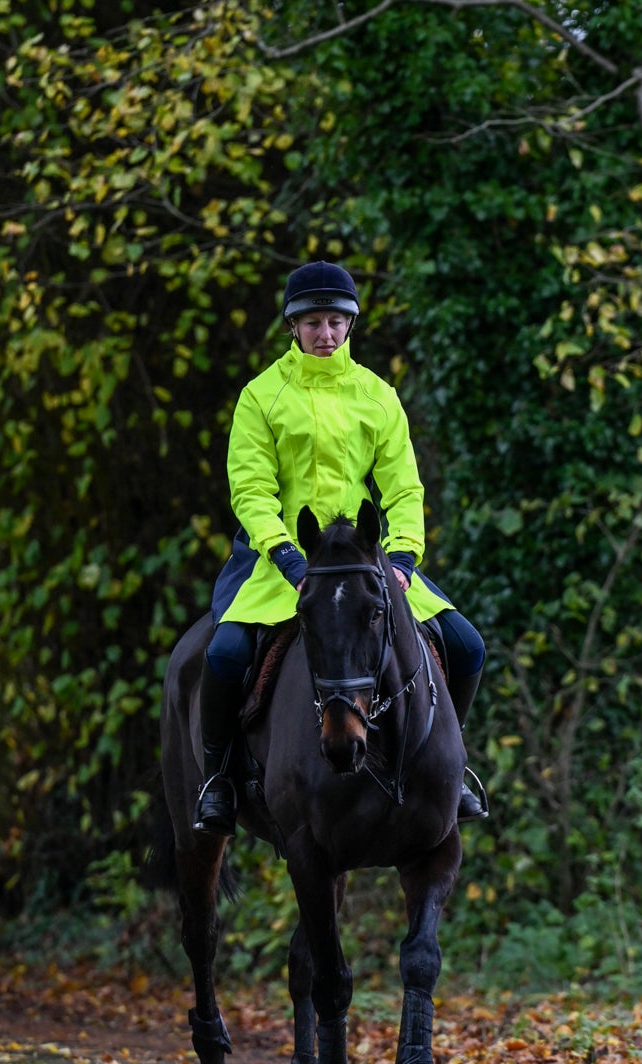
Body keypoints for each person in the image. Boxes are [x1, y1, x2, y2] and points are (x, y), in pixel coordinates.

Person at [194, 260, 487, 835]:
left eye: (335, 322)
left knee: (467, 646)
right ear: (292, 326)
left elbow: (404, 487)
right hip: (280, 562)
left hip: (363, 563)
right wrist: (287, 558)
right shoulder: (261, 397)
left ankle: (453, 771)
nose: (325, 334)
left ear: (350, 325)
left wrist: (402, 559)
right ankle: (218, 781)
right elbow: (251, 488)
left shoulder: (378, 397)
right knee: (224, 654)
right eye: (313, 323)